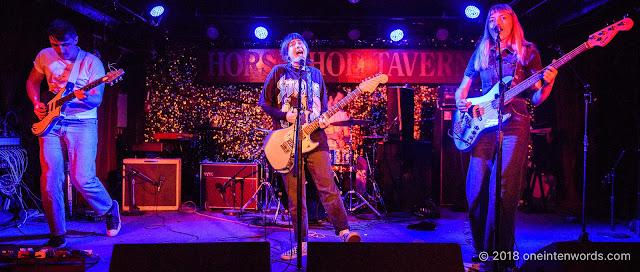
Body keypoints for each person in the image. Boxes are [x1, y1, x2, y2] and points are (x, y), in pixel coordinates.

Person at [454, 4, 558, 266]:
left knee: (504, 191)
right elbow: (462, 90)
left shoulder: (527, 51)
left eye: (502, 18)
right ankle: (480, 249)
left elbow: (536, 96)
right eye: (491, 19)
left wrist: (550, 82)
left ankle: (499, 254)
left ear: (512, 23)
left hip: (516, 123)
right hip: (483, 124)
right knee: (475, 190)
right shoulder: (481, 52)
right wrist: (461, 105)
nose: (496, 22)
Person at [259, 33, 361, 260]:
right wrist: (285, 114)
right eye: (293, 45)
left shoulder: (315, 75)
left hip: (316, 139)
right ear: (287, 52)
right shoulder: (278, 72)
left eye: (301, 44)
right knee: (296, 196)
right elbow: (264, 103)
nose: (298, 47)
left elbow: (323, 108)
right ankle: (301, 243)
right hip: (287, 140)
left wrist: (324, 119)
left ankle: (344, 231)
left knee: (328, 186)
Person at [26, 19, 121, 250]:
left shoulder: (92, 63)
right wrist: (37, 101)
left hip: (82, 123)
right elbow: (32, 82)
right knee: (50, 179)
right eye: (55, 45)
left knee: (82, 178)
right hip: (50, 124)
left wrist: (83, 97)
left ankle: (109, 208)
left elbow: (96, 99)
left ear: (76, 39)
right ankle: (57, 233)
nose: (61, 50)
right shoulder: (44, 56)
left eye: (66, 45)